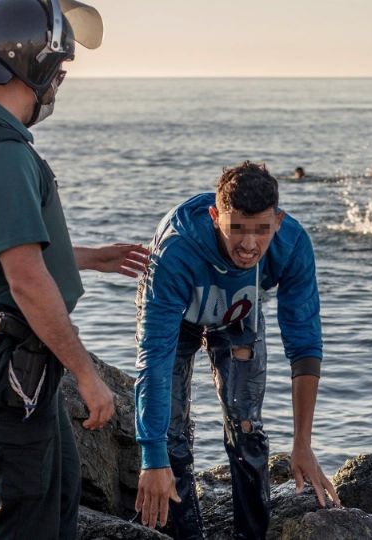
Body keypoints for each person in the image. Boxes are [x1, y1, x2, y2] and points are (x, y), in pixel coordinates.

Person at [0, 1, 134, 538]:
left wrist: (84, 257)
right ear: (37, 68)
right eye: (58, 72)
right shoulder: (0, 149)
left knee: (56, 493)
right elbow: (25, 277)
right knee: (28, 519)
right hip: (0, 354)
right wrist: (88, 374)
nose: (58, 85)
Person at [134, 161, 340, 538]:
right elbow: (154, 362)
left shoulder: (292, 244)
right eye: (236, 229)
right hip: (177, 315)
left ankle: (251, 534)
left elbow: (305, 345)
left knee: (246, 422)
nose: (249, 245)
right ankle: (185, 532)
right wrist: (151, 455)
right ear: (215, 217)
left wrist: (303, 444)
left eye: (262, 230)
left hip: (238, 313)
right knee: (172, 431)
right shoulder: (176, 250)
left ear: (278, 220)